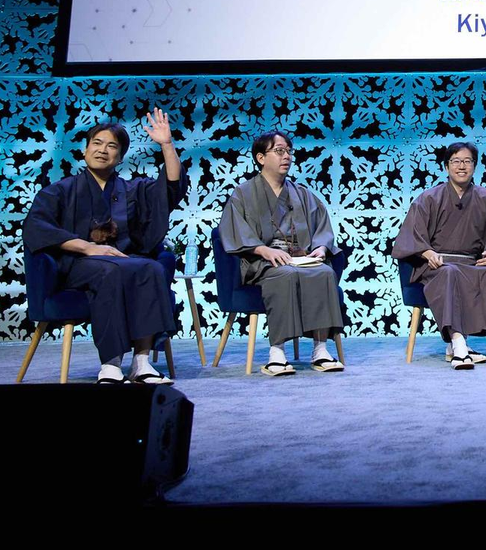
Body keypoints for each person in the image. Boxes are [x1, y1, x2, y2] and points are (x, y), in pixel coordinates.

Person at [21, 109, 185, 384]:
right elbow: (36, 227)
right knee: (110, 272)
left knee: (151, 268)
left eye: (112, 146)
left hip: (124, 260)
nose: (102, 150)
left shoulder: (132, 190)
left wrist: (167, 145)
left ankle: (141, 363)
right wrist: (87, 248)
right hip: (76, 265)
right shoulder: (60, 190)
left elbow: (169, 188)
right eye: (96, 143)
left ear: (120, 157)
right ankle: (110, 364)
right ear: (85, 150)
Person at [218, 130, 345, 376]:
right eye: (279, 151)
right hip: (261, 261)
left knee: (324, 273)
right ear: (261, 158)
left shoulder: (302, 194)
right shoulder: (243, 194)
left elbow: (322, 227)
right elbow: (234, 231)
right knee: (284, 274)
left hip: (299, 258)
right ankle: (277, 352)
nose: (286, 156)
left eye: (288, 151)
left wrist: (320, 248)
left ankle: (320, 349)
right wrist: (263, 249)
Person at [392, 142, 486, 370]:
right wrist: (427, 251)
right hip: (436, 265)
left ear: (475, 166)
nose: (462, 166)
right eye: (456, 161)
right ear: (446, 166)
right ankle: (459, 345)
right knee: (449, 273)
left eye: (467, 161)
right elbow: (411, 234)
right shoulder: (429, 198)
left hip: (472, 263)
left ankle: (457, 346)